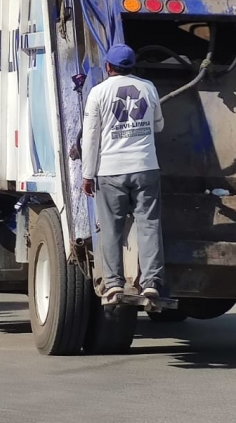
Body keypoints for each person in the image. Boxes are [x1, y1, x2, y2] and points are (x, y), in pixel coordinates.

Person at [82, 43, 165, 302]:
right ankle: (151, 283)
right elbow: (159, 126)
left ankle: (114, 284)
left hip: (110, 171)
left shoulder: (98, 92)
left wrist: (88, 174)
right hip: (146, 167)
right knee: (149, 225)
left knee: (111, 229)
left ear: (108, 66)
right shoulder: (149, 88)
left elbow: (91, 137)